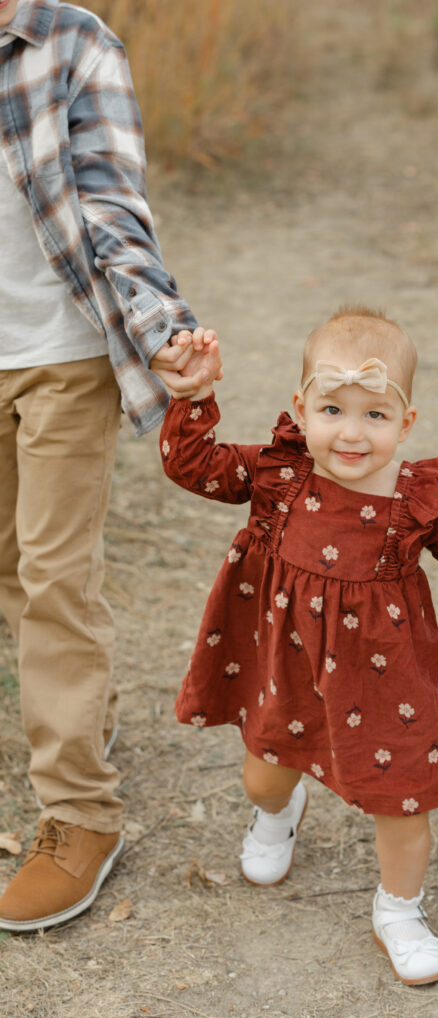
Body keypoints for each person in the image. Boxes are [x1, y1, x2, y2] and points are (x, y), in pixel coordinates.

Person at [158, 306, 438, 986]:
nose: (350, 432)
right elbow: (196, 467)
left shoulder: (412, 500)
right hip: (286, 667)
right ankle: (276, 814)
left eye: (374, 415)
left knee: (401, 797)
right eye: (332, 409)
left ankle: (398, 910)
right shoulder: (278, 478)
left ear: (406, 423)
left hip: (382, 681)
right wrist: (193, 396)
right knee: (263, 773)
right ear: (300, 408)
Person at [0, 0, 219, 932]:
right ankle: (84, 710)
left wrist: (163, 328)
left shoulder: (69, 43)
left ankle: (81, 811)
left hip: (60, 353)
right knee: (9, 564)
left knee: (53, 574)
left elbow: (111, 204)